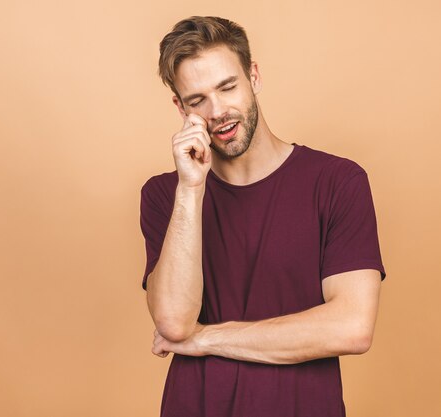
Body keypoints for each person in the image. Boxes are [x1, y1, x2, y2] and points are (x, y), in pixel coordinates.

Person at [139, 16, 387, 417]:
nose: (218, 111)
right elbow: (173, 322)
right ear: (180, 107)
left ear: (253, 76)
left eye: (227, 86)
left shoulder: (338, 182)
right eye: (197, 100)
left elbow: (351, 326)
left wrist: (206, 339)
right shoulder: (165, 195)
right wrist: (190, 188)